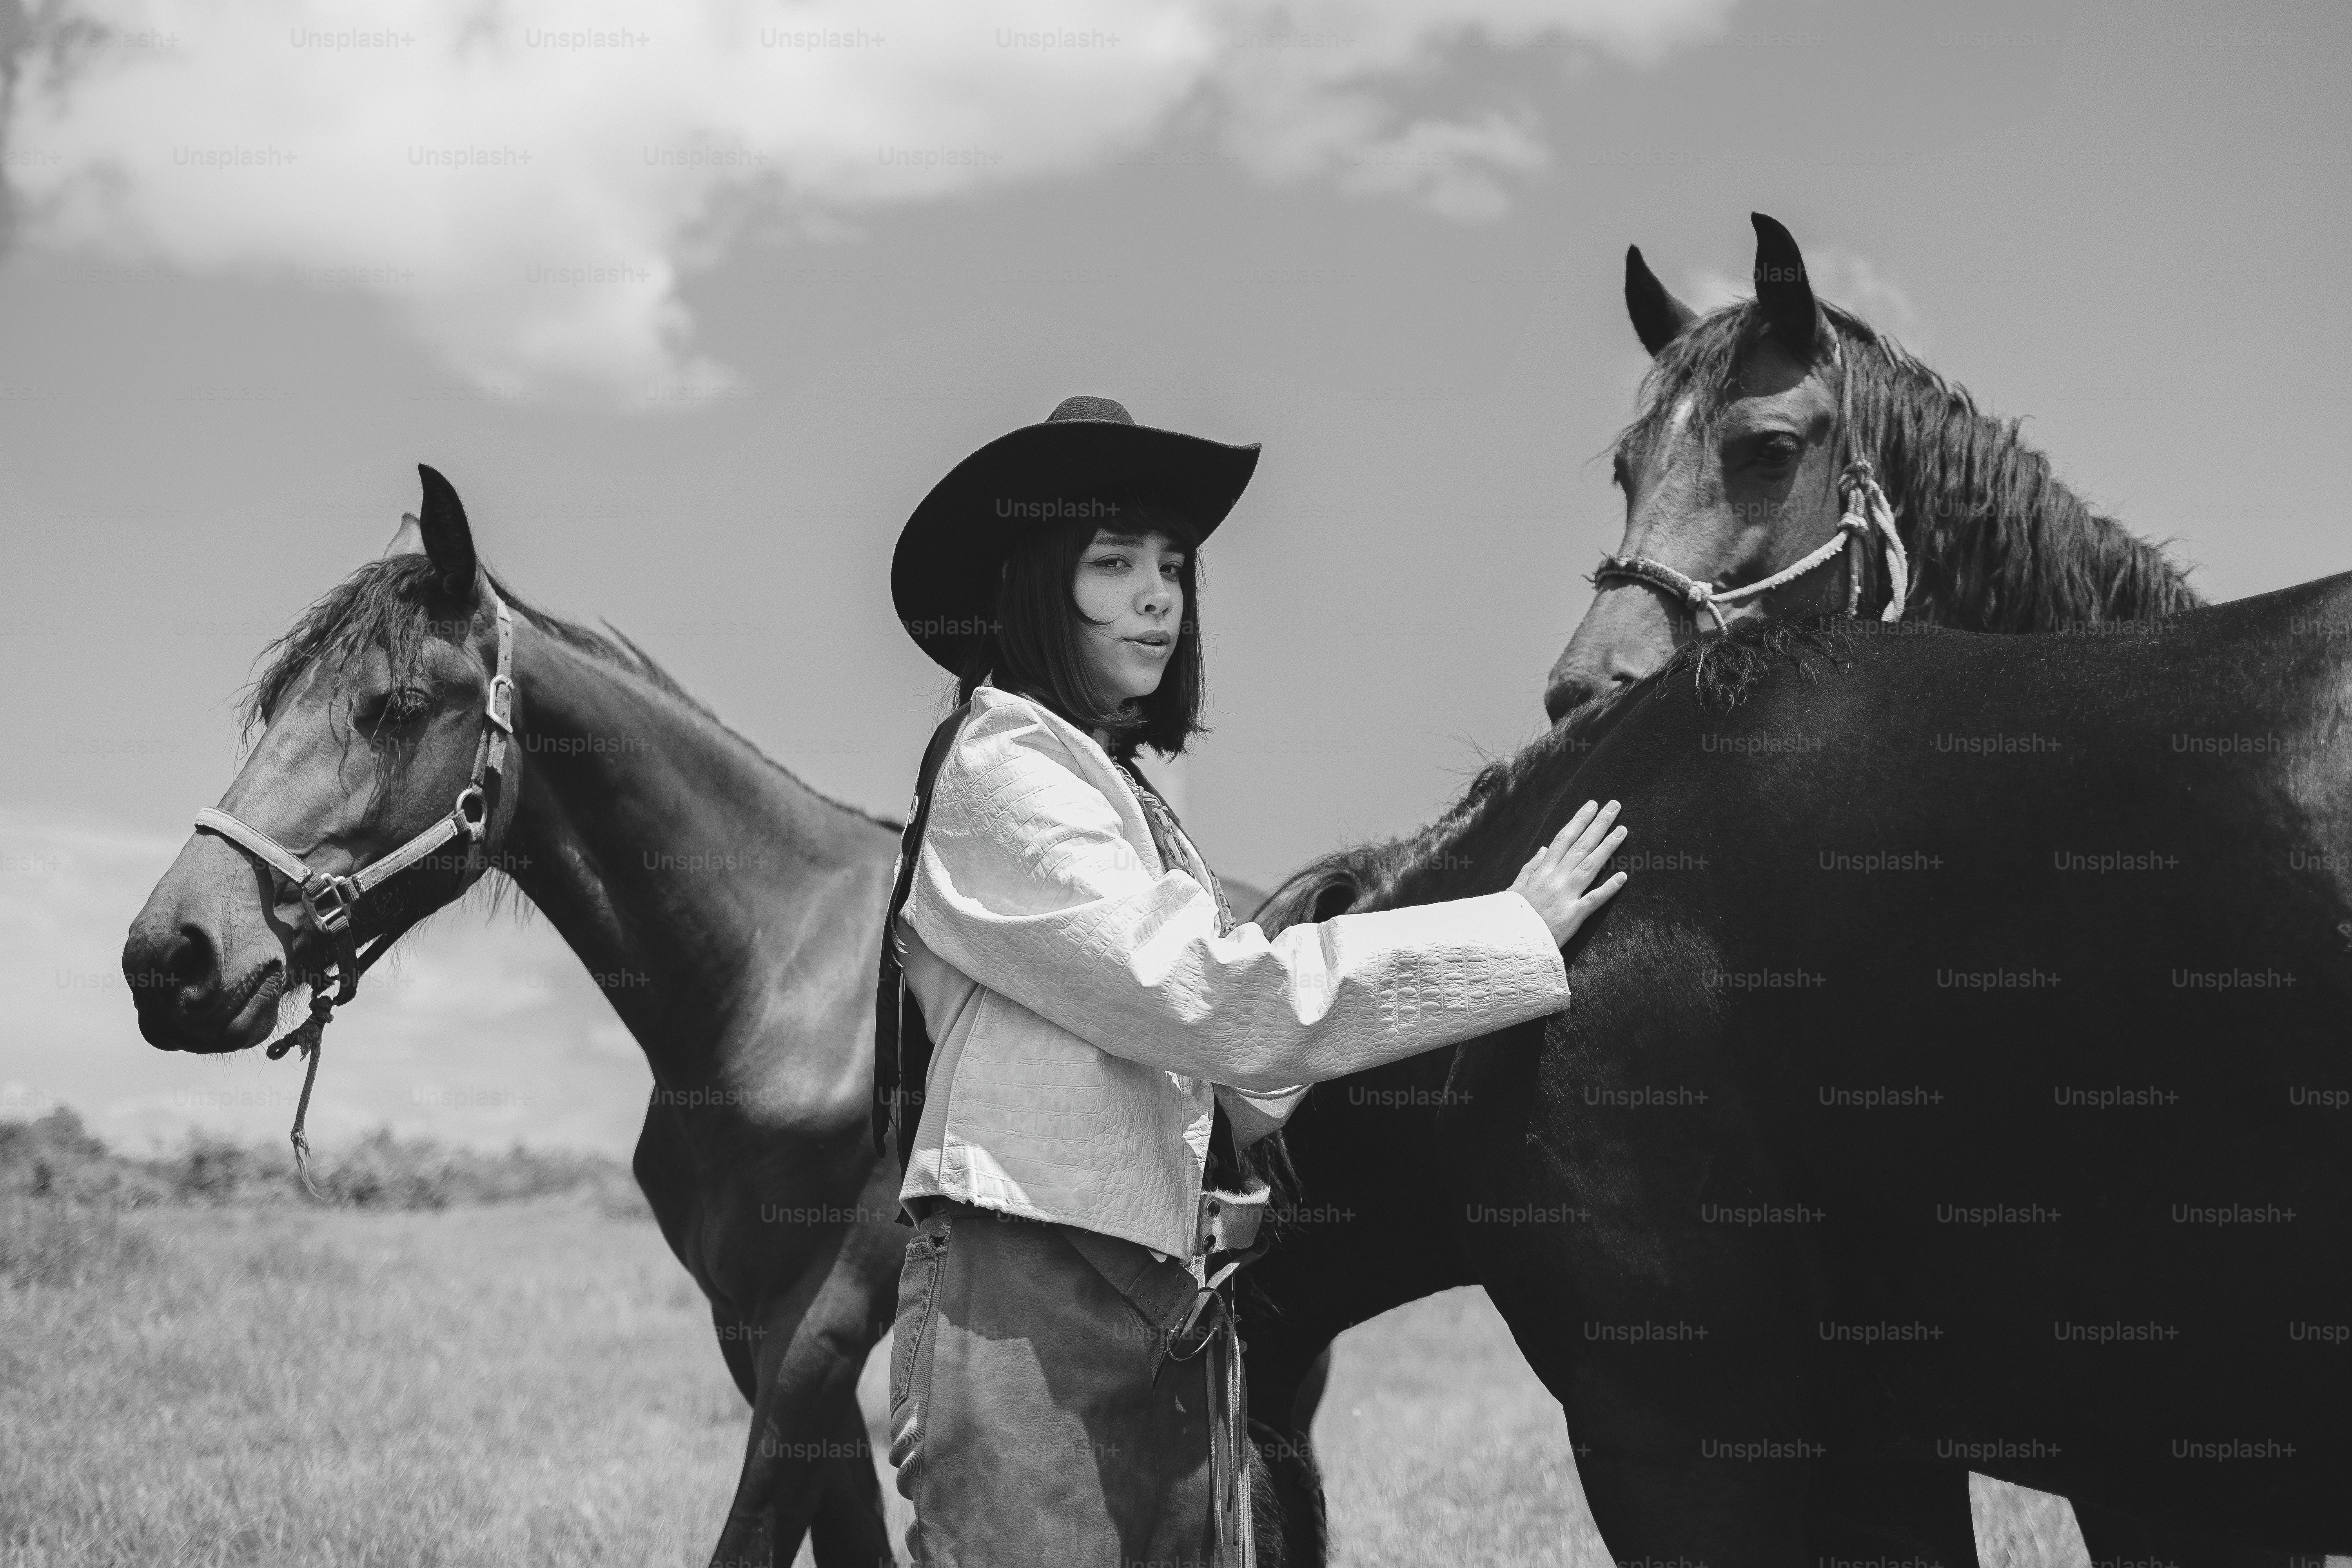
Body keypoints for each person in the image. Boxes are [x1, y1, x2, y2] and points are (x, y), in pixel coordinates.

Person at [878, 395, 1628, 1567]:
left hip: (1157, 1309)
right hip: (1027, 1304)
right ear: (1032, 580)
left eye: (1173, 566)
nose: (1158, 596)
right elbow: (1222, 1007)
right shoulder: (1001, 768)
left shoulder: (1119, 798)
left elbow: (1233, 1081)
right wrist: (1504, 933)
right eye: (1113, 563)